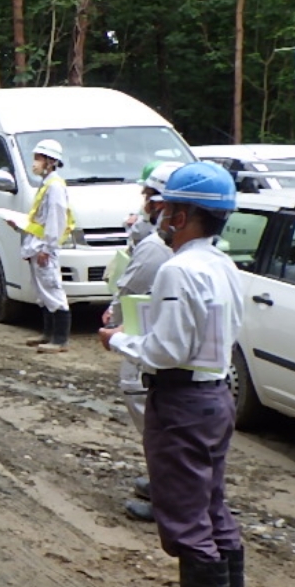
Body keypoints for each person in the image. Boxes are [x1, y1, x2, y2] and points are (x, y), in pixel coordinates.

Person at [100, 162, 244, 587]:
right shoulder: (223, 265)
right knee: (213, 509)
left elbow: (164, 350)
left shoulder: (177, 269)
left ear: (181, 215)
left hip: (183, 402)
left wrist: (118, 339)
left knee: (187, 521)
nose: (157, 216)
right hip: (215, 395)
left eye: (163, 209)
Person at [106, 161, 180, 522]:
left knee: (156, 426)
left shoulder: (158, 250)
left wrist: (114, 324)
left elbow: (132, 285)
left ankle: (166, 496)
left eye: (148, 195)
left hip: (148, 345)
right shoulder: (168, 246)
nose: (144, 202)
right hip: (165, 352)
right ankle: (162, 484)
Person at [5, 138, 73, 352]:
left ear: (51, 161)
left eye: (38, 158)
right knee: (42, 292)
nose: (34, 163)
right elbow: (40, 220)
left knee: (52, 290)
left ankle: (60, 340)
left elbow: (55, 220)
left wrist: (47, 249)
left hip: (44, 248)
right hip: (36, 245)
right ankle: (48, 334)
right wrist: (19, 226)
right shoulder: (46, 185)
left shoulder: (54, 187)